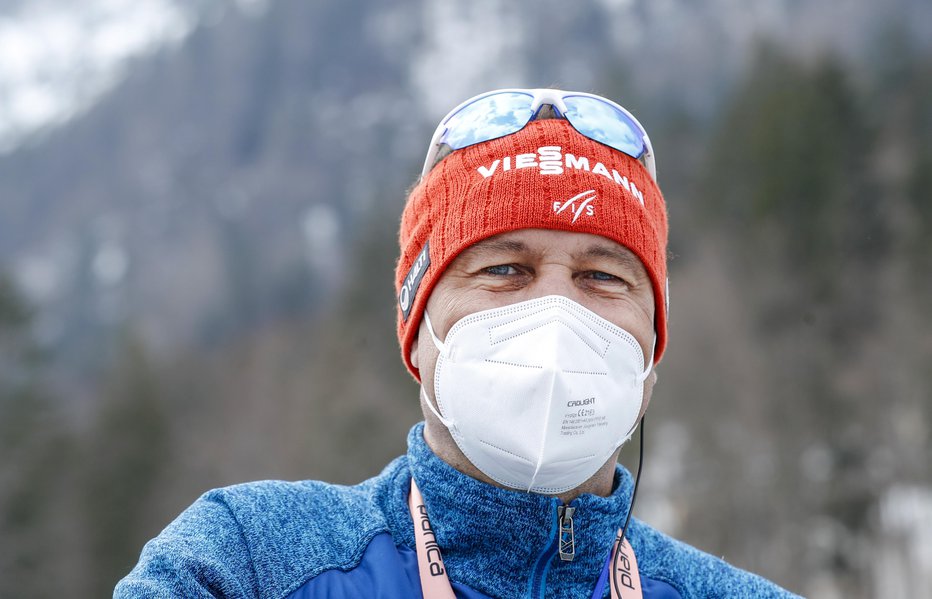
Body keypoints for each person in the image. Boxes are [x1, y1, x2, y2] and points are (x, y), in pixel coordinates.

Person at [116, 88, 798, 598]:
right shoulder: (246, 560)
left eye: (601, 276)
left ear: (652, 355)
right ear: (418, 331)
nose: (555, 311)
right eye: (506, 270)